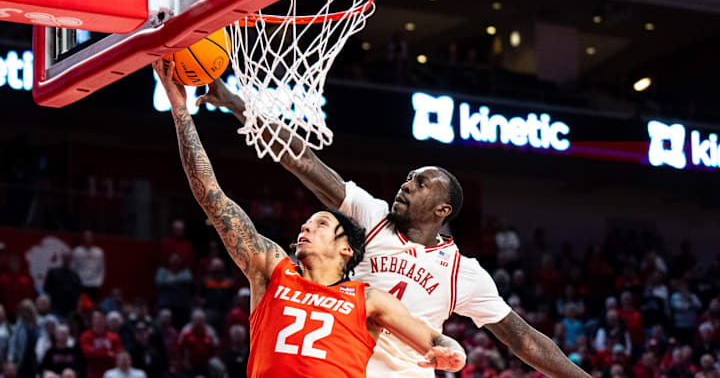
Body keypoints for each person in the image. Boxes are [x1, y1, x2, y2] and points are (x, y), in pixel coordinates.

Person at [196, 77, 591, 378]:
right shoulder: (371, 215)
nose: (406, 184)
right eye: (408, 177)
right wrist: (235, 104)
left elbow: (525, 340)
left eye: (420, 183)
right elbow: (303, 161)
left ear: (442, 208)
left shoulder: (462, 273)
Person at [154, 60, 466, 377]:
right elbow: (212, 197)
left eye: (321, 224)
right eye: (308, 222)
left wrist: (454, 352)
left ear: (347, 249)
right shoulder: (272, 270)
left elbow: (431, 337)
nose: (305, 226)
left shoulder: (369, 299)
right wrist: (180, 111)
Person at [80, 311, 122, 378]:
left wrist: (96, 352)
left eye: (100, 318)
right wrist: (108, 353)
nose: (98, 320)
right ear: (92, 320)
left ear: (105, 320)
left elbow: (118, 356)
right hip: (93, 374)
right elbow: (89, 355)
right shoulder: (86, 336)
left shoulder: (114, 337)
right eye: (96, 318)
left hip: (112, 374)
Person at [43, 251, 82, 318]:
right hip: (56, 308)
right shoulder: (53, 272)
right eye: (65, 257)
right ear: (62, 258)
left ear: (71, 259)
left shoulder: (75, 275)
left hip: (71, 309)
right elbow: (46, 289)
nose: (67, 259)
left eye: (69, 258)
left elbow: (78, 293)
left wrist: (78, 308)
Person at [71, 230, 105, 302]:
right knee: (81, 304)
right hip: (81, 284)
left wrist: (99, 282)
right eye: (86, 237)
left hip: (94, 284)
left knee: (94, 305)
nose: (88, 239)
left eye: (89, 237)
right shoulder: (77, 251)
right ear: (82, 238)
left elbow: (102, 269)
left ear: (93, 238)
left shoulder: (99, 252)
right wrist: (76, 282)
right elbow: (73, 268)